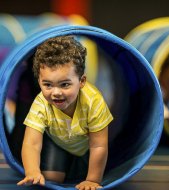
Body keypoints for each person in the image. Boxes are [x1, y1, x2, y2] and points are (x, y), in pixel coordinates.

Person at [17, 35, 113, 190]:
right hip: (58, 143)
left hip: (86, 147)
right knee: (51, 180)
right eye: (47, 84)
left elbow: (98, 146)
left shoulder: (93, 102)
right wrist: (32, 171)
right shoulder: (41, 103)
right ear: (39, 81)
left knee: (84, 180)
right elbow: (31, 143)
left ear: (81, 81)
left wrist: (93, 180)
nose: (56, 92)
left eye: (65, 84)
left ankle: (77, 168)